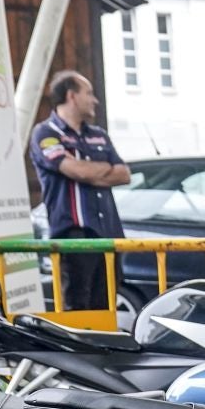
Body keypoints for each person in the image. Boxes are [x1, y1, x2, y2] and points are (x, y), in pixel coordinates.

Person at [30, 71, 128, 312]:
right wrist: (103, 170)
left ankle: (104, 350)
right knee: (77, 309)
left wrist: (88, 171)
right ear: (71, 96)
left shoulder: (99, 135)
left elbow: (124, 173)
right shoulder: (46, 133)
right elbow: (76, 171)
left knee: (106, 308)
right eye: (89, 94)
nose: (95, 100)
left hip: (109, 235)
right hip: (74, 237)